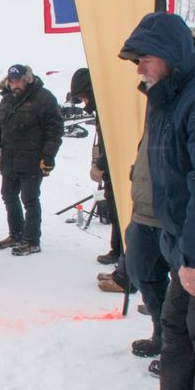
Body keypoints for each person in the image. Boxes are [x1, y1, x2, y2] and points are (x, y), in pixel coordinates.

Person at [120, 12, 195, 390]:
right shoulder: (165, 96)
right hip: (180, 238)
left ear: (170, 56)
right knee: (175, 329)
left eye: (144, 58)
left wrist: (193, 256)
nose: (139, 69)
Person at [0, 64, 63, 256]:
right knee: (8, 195)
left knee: (29, 198)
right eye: (11, 81)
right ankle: (16, 234)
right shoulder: (7, 100)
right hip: (10, 158)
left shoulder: (44, 98)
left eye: (18, 80)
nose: (14, 85)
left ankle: (32, 240)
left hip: (33, 159)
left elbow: (54, 131)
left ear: (27, 79)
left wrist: (48, 156)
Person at [70, 68, 121, 267]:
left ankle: (122, 255)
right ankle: (117, 251)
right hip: (110, 169)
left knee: (119, 212)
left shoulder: (111, 107)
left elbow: (115, 142)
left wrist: (100, 165)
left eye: (83, 97)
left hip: (117, 169)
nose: (83, 103)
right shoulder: (103, 107)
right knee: (115, 212)